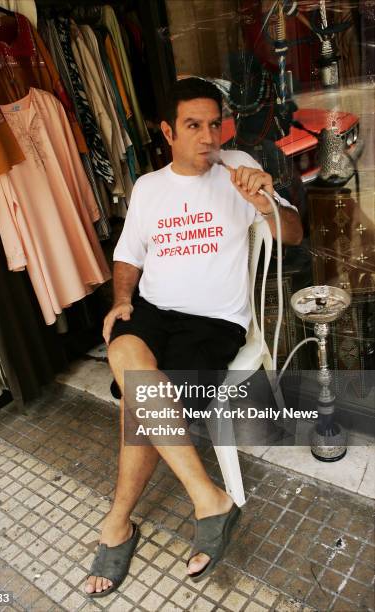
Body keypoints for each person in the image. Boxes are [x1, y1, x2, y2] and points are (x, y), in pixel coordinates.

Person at [84, 77, 303, 598]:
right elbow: (128, 255)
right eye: (193, 125)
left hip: (213, 323)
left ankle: (118, 523)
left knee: (140, 399)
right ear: (167, 132)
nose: (208, 137)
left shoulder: (239, 168)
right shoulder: (149, 187)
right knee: (125, 347)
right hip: (155, 311)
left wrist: (268, 201)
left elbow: (292, 234)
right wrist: (121, 300)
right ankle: (208, 497)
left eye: (214, 124)